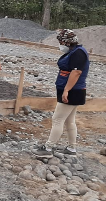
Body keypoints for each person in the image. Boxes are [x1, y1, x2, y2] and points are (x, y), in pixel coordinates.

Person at [32, 29, 90, 158]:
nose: (60, 45)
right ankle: (71, 148)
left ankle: (48, 148)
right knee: (69, 120)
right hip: (74, 90)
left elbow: (76, 72)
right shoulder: (75, 52)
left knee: (57, 119)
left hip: (73, 91)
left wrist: (66, 90)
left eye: (61, 42)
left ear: (67, 42)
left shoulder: (78, 53)